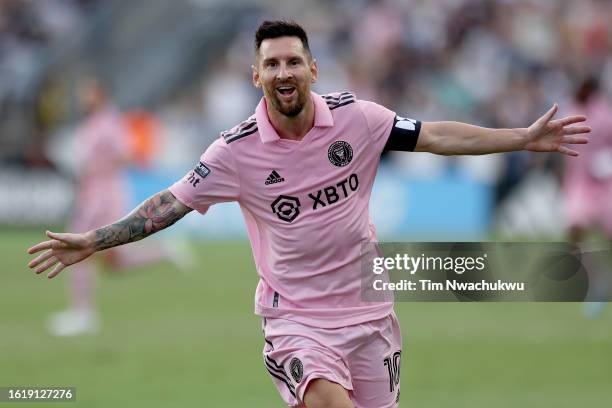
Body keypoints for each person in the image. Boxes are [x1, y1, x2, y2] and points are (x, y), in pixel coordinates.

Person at [28, 20, 590, 408]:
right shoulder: (234, 150)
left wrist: (521, 137)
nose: (282, 71)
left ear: (313, 69)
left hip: (370, 314)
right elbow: (169, 204)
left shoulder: (359, 120)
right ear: (257, 77)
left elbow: (439, 135)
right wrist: (96, 240)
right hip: (296, 323)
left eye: (292, 60)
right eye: (270, 63)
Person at [46, 76, 180, 337]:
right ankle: (163, 252)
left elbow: (125, 155)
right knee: (114, 262)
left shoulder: (109, 122)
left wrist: (95, 168)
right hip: (93, 193)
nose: (82, 98)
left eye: (88, 93)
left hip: (105, 195)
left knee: (75, 244)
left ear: (100, 94)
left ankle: (82, 314)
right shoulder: (94, 122)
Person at [562, 76, 612, 317]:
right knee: (575, 229)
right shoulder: (572, 111)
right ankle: (596, 283)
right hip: (580, 182)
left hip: (604, 183)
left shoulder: (604, 115)